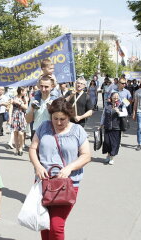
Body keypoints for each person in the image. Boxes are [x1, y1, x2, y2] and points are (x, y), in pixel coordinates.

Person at [29, 98, 91, 240]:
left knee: (56, 226)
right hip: (43, 183)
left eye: (62, 119)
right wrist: (37, 166)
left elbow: (86, 155)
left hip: (67, 185)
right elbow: (33, 148)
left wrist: (70, 168)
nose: (58, 122)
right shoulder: (44, 127)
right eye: (55, 118)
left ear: (69, 116)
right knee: (44, 223)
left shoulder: (78, 130)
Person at [100, 92, 128, 165]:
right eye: (114, 96)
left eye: (117, 96)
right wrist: (101, 124)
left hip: (117, 127)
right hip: (107, 126)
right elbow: (103, 115)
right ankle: (108, 155)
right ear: (111, 97)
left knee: (114, 143)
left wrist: (119, 112)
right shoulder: (107, 105)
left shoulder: (121, 105)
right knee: (107, 142)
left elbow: (125, 113)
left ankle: (112, 157)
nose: (116, 98)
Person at [26, 75, 55, 139]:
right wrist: (32, 109)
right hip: (36, 133)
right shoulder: (34, 99)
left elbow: (59, 121)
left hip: (51, 134)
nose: (43, 89)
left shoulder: (55, 101)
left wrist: (50, 110)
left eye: (46, 87)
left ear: (52, 87)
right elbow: (28, 120)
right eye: (41, 86)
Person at [10, 87, 29, 155]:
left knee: (21, 133)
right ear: (21, 91)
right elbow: (11, 106)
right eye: (25, 91)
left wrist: (25, 101)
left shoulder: (25, 98)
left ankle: (21, 147)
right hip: (15, 116)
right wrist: (9, 118)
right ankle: (17, 148)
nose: (26, 92)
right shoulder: (14, 97)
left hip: (22, 116)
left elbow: (26, 107)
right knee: (15, 133)